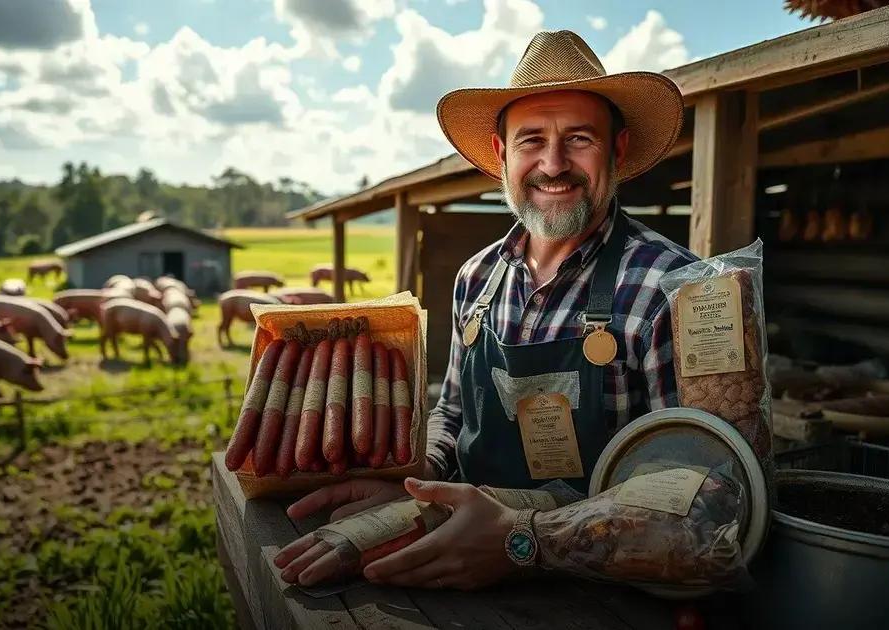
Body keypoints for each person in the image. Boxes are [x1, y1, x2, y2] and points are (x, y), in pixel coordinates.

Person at [279, 29, 698, 590]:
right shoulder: (475, 279)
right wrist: (416, 484)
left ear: (616, 150)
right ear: (502, 155)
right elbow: (451, 414)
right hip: (458, 576)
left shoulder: (672, 287)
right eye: (531, 141)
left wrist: (522, 538)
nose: (553, 164)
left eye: (578, 138)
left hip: (608, 594)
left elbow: (698, 493)